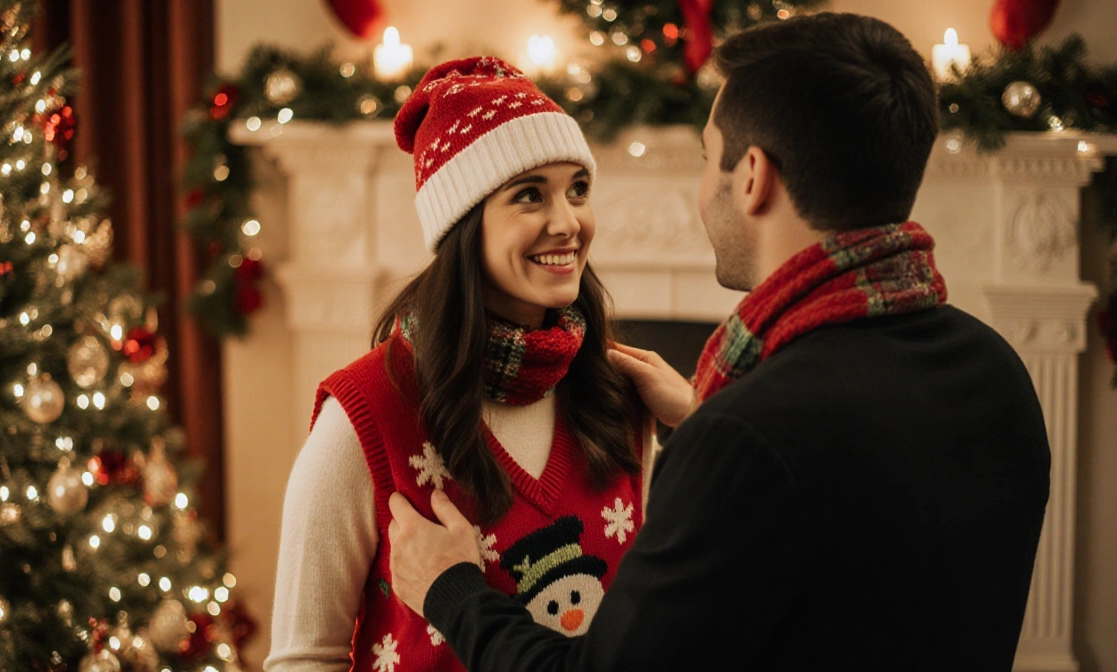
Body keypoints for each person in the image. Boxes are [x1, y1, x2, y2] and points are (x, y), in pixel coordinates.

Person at [386, 12, 1051, 671]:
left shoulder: (748, 440)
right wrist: (708, 426)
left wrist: (453, 590)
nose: (704, 194)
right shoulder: (995, 372)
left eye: (710, 159)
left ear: (754, 175)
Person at [264, 56, 654, 671]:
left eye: (578, 188)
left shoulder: (621, 398)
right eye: (530, 195)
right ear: (464, 224)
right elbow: (302, 660)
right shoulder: (367, 414)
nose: (569, 222)